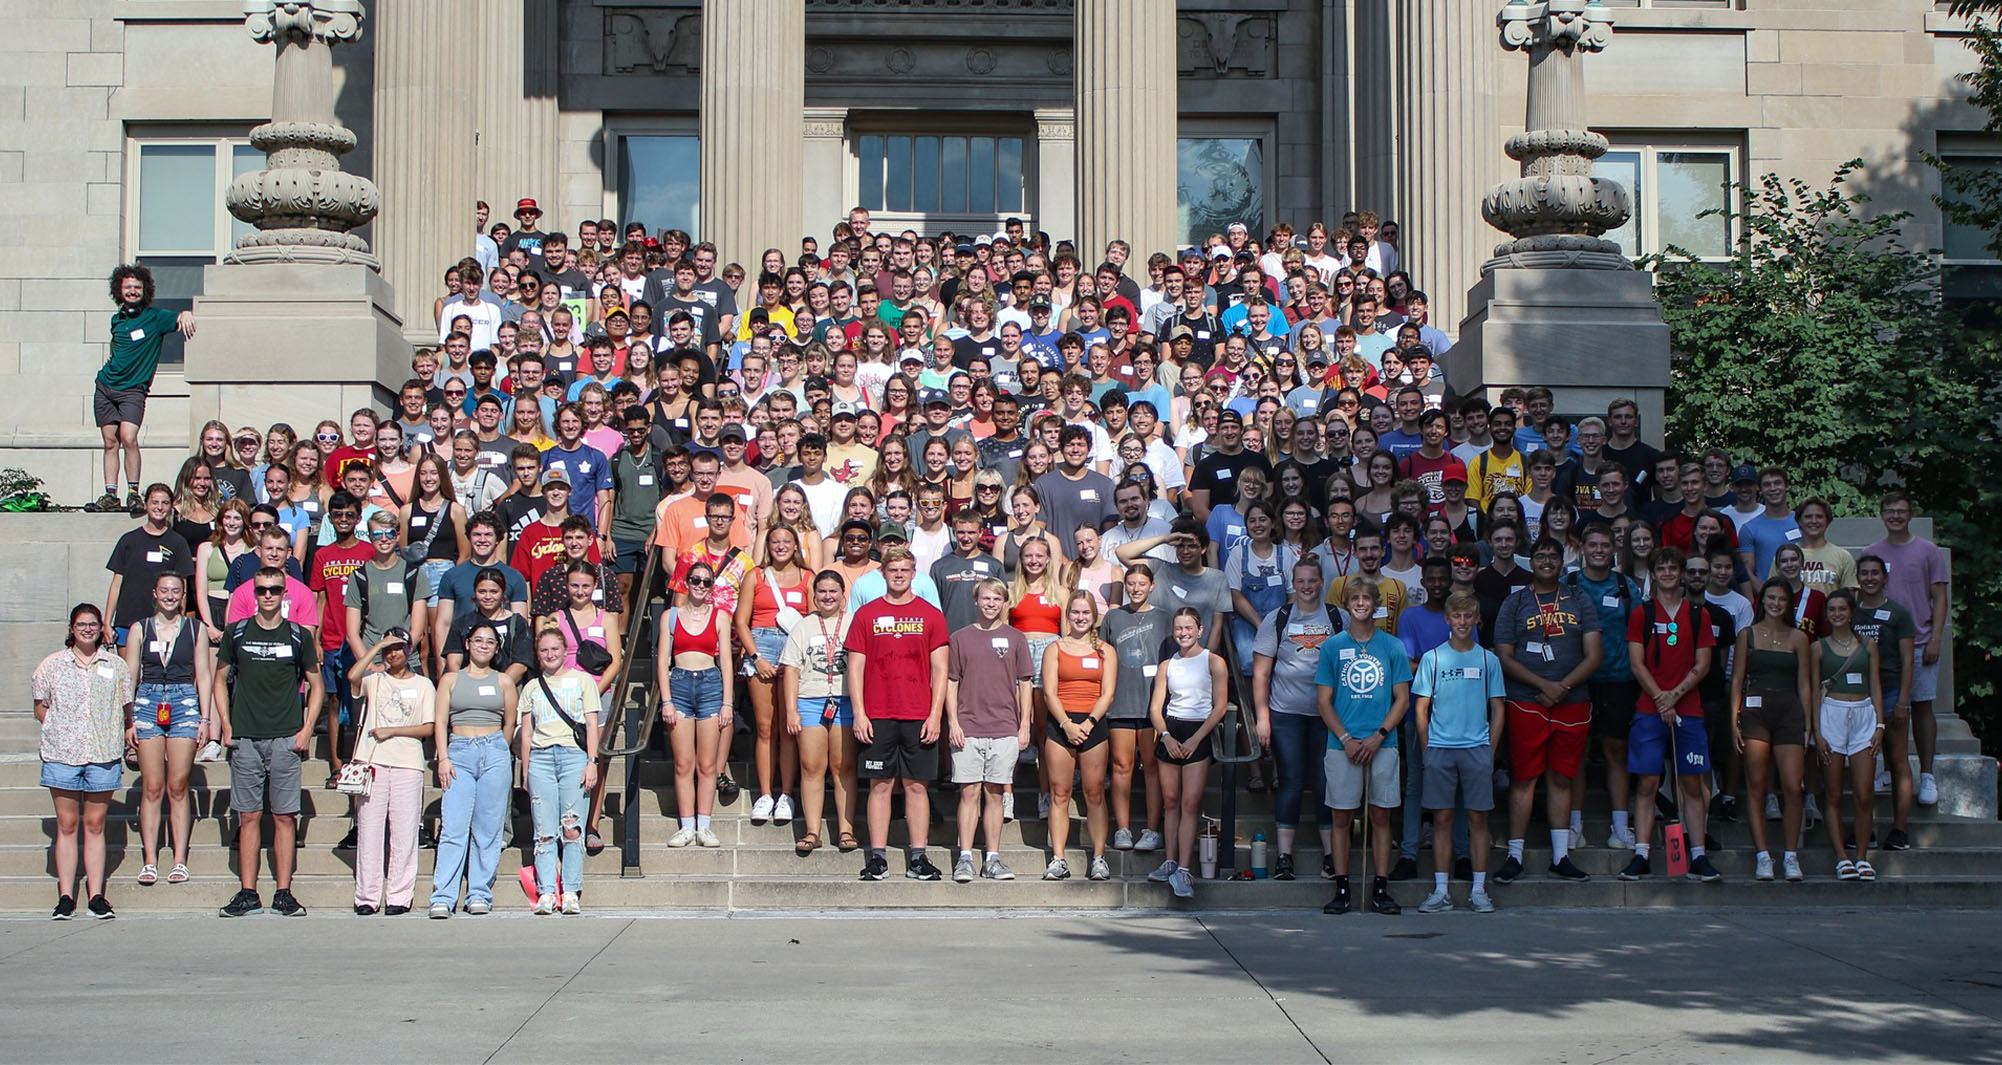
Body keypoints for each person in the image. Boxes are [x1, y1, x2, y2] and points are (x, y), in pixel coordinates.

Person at [215, 567, 325, 917]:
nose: (267, 596)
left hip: (285, 736)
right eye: (262, 589)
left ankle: (283, 891)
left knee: (284, 817)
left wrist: (307, 728)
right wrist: (227, 726)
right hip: (246, 736)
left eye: (274, 590)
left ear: (283, 595)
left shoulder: (296, 635)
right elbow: (219, 680)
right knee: (248, 816)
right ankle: (248, 892)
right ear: (254, 592)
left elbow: (317, 685)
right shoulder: (236, 633)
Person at [1492, 537, 1603, 884]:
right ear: (1532, 561)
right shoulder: (1515, 602)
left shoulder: (1579, 599)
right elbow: (1503, 655)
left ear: (1561, 562)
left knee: (1561, 777)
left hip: (1572, 700)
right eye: (1540, 556)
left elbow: (1594, 655)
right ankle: (1514, 855)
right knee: (1524, 778)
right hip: (1527, 701)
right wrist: (1544, 686)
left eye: (1552, 557)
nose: (1546, 562)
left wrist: (1562, 687)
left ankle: (1560, 856)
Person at [1619, 546, 1721, 883]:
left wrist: (1674, 697)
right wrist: (1661, 699)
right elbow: (1636, 663)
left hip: (1688, 710)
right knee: (1647, 782)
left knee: (1691, 783)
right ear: (1653, 573)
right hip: (1649, 709)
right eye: (1660, 568)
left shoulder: (1698, 614)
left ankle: (1699, 855)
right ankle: (1642, 854)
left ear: (1681, 574)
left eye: (1672, 568)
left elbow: (1703, 664)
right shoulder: (1641, 613)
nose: (1667, 573)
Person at [847, 548, 950, 881]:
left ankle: (918, 857)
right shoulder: (866, 615)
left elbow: (940, 669)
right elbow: (855, 668)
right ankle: (877, 857)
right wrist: (859, 714)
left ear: (914, 572)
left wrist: (935, 716)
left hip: (918, 713)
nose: (899, 575)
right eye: (893, 569)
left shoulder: (931, 615)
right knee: (880, 786)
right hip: (878, 714)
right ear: (883, 573)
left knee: (917, 787)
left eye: (905, 569)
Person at [1315, 579, 1410, 916]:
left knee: (1381, 816)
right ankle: (1342, 886)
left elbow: (1402, 699)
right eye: (1353, 598)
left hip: (1382, 742)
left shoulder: (1393, 646)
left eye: (1366, 598)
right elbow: (1324, 701)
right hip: (1342, 745)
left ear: (1375, 603)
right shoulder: (1332, 647)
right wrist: (1347, 739)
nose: (1360, 603)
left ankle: (1380, 888)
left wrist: (1378, 736)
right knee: (1341, 816)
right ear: (1346, 603)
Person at [34, 604, 132, 919]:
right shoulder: (52, 665)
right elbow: (40, 706)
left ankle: (96, 896)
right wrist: (58, 728)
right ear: (71, 627)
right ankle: (66, 895)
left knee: (95, 824)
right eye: (81, 624)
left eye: (93, 624)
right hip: (63, 754)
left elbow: (125, 707)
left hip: (102, 753)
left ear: (101, 627)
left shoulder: (116, 665)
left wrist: (125, 731)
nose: (87, 629)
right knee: (67, 824)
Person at [1412, 593, 1505, 914]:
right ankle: (1441, 891)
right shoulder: (1433, 659)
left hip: (1476, 748)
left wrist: (1489, 751)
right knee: (1442, 820)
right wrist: (1427, 748)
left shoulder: (1487, 660)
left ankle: (1479, 890)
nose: (1463, 622)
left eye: (1469, 617)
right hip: (1440, 749)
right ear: (1447, 619)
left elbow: (1498, 708)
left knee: (1478, 819)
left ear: (1477, 619)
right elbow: (1421, 708)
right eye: (1457, 616)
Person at [121, 573, 211, 888]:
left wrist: (205, 718)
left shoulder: (195, 629)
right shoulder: (139, 629)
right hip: (147, 701)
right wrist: (128, 719)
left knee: (178, 785)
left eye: (176, 591)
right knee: (152, 786)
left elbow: (203, 675)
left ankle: (179, 859)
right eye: (164, 590)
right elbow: (130, 675)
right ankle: (149, 859)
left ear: (183, 594)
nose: (170, 596)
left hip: (183, 701)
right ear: (155, 593)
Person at [1251, 556, 1339, 880]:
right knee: (1289, 781)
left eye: (1311, 581)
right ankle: (1284, 857)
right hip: (1285, 712)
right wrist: (1262, 717)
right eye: (1300, 581)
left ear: (1321, 582)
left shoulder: (1336, 617)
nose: (1306, 587)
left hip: (1326, 714)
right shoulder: (1278, 618)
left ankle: (1331, 855)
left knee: (1324, 781)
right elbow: (1261, 673)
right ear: (1293, 583)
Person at [1861, 491, 1949, 808]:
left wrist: (1937, 638)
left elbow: (1939, 597)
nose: (1895, 516)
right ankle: (1888, 768)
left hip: (1922, 641)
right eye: (1890, 511)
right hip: (1883, 647)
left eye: (1901, 511)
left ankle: (1927, 773)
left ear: (1910, 513)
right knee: (1886, 711)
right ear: (1882, 514)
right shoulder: (1872, 553)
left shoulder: (1928, 551)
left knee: (1921, 706)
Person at [945, 578, 1035, 882]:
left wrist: (1024, 724)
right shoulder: (960, 638)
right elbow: (951, 681)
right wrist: (953, 722)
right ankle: (966, 857)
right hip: (968, 726)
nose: (991, 604)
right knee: (968, 792)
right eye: (985, 598)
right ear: (976, 600)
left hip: (1005, 726)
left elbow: (1025, 683)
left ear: (1005, 602)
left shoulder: (1016, 638)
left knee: (995, 793)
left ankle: (993, 857)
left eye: (997, 599)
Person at [428, 620, 520, 917]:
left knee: (488, 827)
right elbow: (440, 721)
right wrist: (443, 757)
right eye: (478, 640)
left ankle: (479, 892)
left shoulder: (503, 681)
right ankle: (443, 895)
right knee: (454, 826)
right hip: (459, 751)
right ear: (467, 644)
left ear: (496, 649)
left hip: (493, 750)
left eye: (490, 642)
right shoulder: (451, 680)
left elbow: (509, 723)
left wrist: (499, 749)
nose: (483, 645)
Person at [93, 264, 196, 515]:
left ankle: (132, 492)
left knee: (128, 437)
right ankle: (110, 494)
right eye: (128, 287)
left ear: (145, 290)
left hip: (133, 391)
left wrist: (185, 314)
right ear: (120, 290)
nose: (132, 291)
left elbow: (179, 317)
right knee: (109, 442)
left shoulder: (154, 317)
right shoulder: (117, 320)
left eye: (137, 287)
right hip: (106, 387)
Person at [347, 629, 436, 915]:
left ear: (409, 650)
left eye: (398, 648)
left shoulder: (423, 685)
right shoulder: (374, 680)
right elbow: (352, 677)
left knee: (404, 831)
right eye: (389, 649)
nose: (393, 654)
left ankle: (399, 895)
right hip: (372, 761)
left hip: (407, 762)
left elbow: (428, 727)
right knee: (370, 830)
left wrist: (393, 730)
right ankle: (367, 896)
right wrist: (375, 648)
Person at [1144, 606, 1229, 900]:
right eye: (1178, 629)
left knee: (1190, 803)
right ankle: (1169, 860)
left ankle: (1183, 867)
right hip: (1172, 731)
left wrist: (1196, 739)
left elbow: (1219, 706)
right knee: (1171, 801)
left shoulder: (1214, 661)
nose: (1183, 633)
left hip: (1199, 732)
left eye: (1188, 628)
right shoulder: (1168, 665)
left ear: (1200, 630)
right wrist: (1165, 735)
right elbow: (1156, 707)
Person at [1731, 581, 1812, 883]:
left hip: (1789, 710)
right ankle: (1763, 856)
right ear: (1761, 601)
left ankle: (1790, 855)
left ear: (1789, 604)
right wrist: (1733, 721)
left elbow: (1804, 683)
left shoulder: (1799, 637)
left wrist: (1808, 723)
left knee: (1792, 786)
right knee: (1757, 786)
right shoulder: (1747, 635)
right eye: (1770, 598)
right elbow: (1737, 679)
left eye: (1781, 599)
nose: (1776, 603)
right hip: (1755, 711)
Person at [517, 627, 602, 915]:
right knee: (543, 830)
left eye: (555, 649)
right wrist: (525, 769)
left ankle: (571, 890)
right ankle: (546, 892)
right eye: (544, 650)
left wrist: (592, 761)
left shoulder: (582, 681)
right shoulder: (532, 687)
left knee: (572, 826)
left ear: (565, 651)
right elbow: (527, 732)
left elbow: (592, 724)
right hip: (541, 757)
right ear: (537, 655)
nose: (550, 655)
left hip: (572, 756)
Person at [544, 559, 623, 852]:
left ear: (595, 587)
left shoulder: (607, 618)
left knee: (596, 758)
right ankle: (564, 821)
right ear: (567, 586)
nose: (580, 591)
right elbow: (549, 656)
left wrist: (591, 691)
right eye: (574, 585)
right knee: (564, 759)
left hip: (597, 694)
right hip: (563, 697)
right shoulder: (556, 617)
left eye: (585, 586)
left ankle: (592, 823)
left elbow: (615, 660)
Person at [779, 570, 860, 856]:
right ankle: (812, 830)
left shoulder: (853, 623)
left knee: (843, 767)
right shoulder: (804, 625)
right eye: (822, 592)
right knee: (812, 767)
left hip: (845, 700)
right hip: (811, 700)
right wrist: (791, 710)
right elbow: (791, 669)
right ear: (814, 596)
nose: (827, 597)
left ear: (842, 596)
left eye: (833, 592)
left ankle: (846, 829)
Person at [1040, 591, 1117, 881]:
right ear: (1068, 614)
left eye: (1086, 613)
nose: (1080, 618)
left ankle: (1099, 857)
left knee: (1095, 793)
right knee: (1059, 794)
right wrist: (1066, 725)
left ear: (1093, 616)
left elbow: (1108, 692)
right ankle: (1058, 858)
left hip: (1093, 724)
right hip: (1061, 724)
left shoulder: (1105, 650)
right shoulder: (1055, 648)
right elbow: (1049, 691)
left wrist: (1088, 722)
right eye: (1075, 612)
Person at [658, 559, 735, 848]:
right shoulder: (671, 616)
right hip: (679, 683)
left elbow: (726, 661)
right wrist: (665, 699)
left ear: (712, 587)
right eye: (696, 580)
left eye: (706, 582)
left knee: (707, 764)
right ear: (687, 583)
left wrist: (728, 702)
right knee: (683, 763)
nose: (701, 586)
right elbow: (663, 659)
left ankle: (704, 824)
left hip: (710, 685)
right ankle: (686, 825)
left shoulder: (720, 616)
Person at [1814, 591, 1886, 882]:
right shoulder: (1817, 647)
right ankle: (1842, 857)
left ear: (1851, 612)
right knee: (1832, 792)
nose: (1837, 613)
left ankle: (1862, 857)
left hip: (1863, 715)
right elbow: (1812, 690)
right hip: (1831, 714)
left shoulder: (1868, 645)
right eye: (1832, 609)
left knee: (1864, 793)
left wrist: (1880, 725)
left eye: (1842, 608)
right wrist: (1817, 732)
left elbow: (1877, 685)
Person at [1100, 562, 1171, 856]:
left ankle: (1153, 829)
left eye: (1142, 584)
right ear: (1125, 586)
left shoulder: (1165, 618)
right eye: (1131, 584)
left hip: (1153, 704)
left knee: (1153, 767)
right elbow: (1102, 656)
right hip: (1121, 702)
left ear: (1151, 586)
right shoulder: (1113, 617)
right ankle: (1123, 828)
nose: (1136, 589)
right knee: (1121, 766)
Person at [746, 525, 811, 825]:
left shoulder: (807, 577)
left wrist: (796, 659)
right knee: (764, 726)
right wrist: (756, 657)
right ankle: (765, 793)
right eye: (775, 541)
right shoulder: (755, 576)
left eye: (787, 541)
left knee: (788, 727)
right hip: (762, 646)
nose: (781, 546)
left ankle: (786, 793)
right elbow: (740, 621)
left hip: (794, 650)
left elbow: (811, 620)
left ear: (796, 545)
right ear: (767, 545)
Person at [1853, 554, 1918, 851]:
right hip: (1858, 694)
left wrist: (1903, 700)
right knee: (1861, 763)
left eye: (1875, 573)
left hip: (1891, 691)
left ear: (1884, 578)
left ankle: (1899, 829)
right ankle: (1864, 830)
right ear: (1857, 577)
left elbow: (1908, 660)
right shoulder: (1849, 611)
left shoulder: (1898, 614)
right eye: (1864, 573)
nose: (1869, 578)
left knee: (1897, 759)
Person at [104, 484, 197, 648]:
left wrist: (179, 621)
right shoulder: (128, 540)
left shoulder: (178, 543)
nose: (159, 507)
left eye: (165, 503)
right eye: (154, 502)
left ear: (171, 506)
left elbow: (183, 588)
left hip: (163, 622)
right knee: (130, 673)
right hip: (128, 620)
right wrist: (107, 622)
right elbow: (117, 583)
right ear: (146, 504)